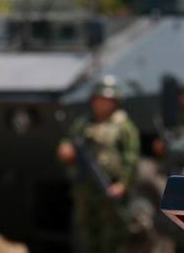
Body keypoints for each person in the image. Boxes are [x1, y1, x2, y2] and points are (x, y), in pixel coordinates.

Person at [57, 75, 140, 253]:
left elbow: (131, 158)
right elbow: (69, 141)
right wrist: (65, 149)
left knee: (111, 238)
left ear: (115, 102)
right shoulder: (84, 123)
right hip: (86, 190)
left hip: (109, 189)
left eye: (107, 100)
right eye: (99, 99)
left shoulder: (123, 126)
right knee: (87, 235)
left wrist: (122, 184)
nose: (102, 104)